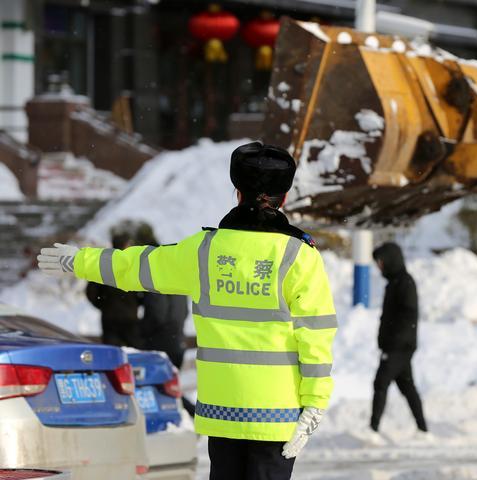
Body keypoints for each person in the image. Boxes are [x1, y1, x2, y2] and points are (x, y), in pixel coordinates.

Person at [38, 142, 337, 480]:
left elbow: (135, 266)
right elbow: (316, 334)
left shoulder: (204, 251)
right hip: (277, 416)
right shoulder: (300, 256)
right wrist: (314, 402)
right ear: (283, 198)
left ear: (237, 193)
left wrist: (78, 260)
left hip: (223, 413)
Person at [134, 222, 195, 417]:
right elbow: (184, 311)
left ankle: (188, 415)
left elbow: (156, 312)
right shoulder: (179, 279)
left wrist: (142, 333)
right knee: (168, 385)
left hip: (160, 341)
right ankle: (182, 417)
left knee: (159, 386)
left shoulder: (156, 279)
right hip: (177, 339)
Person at [370, 242, 427, 435]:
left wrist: (393, 342)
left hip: (399, 347)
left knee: (380, 382)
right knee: (407, 386)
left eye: (380, 262)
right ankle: (423, 429)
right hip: (397, 345)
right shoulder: (394, 283)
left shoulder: (405, 283)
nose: (379, 266)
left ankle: (373, 429)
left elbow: (407, 317)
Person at [85, 225, 142, 347]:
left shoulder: (103, 265)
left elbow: (91, 292)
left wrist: (103, 304)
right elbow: (144, 288)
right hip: (130, 319)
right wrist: (138, 303)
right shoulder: (133, 265)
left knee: (111, 354)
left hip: (109, 318)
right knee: (135, 354)